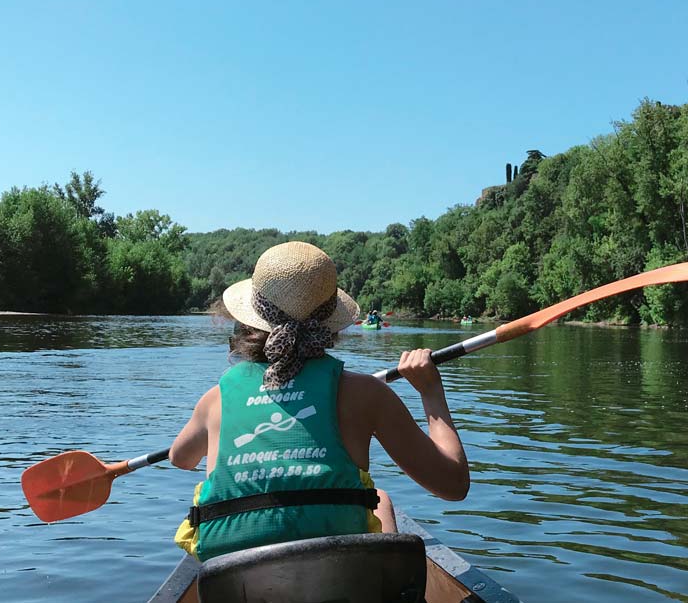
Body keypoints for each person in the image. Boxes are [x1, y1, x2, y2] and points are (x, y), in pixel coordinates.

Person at [169, 241, 469, 562]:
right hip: (342, 580)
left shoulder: (216, 400)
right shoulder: (367, 393)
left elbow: (180, 459)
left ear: (248, 322)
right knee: (378, 499)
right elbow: (452, 485)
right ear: (331, 325)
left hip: (235, 584)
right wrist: (431, 393)